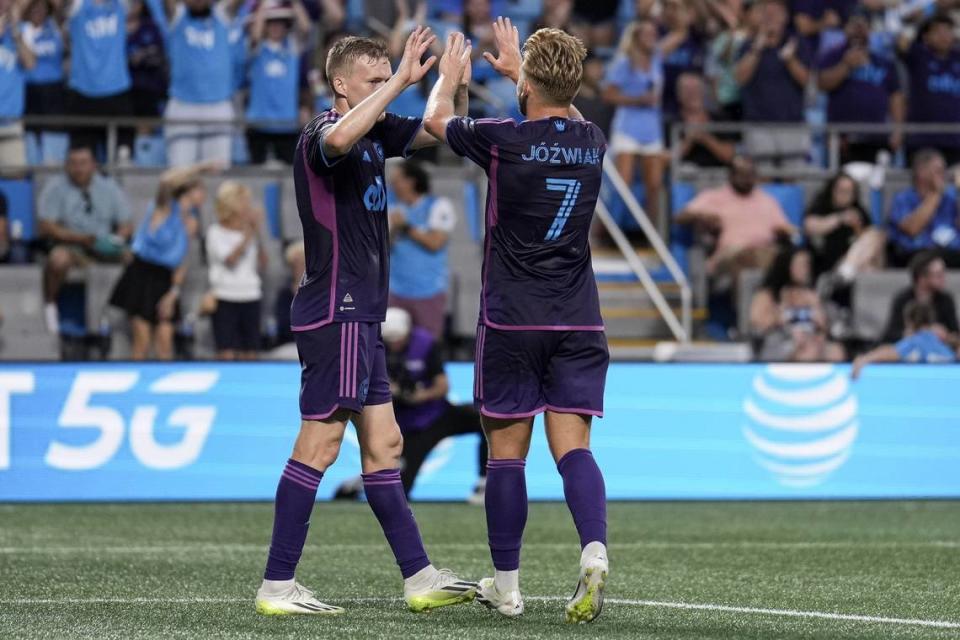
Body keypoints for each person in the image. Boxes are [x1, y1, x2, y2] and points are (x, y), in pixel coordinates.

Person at [255, 28, 477, 616]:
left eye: (387, 78)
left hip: (364, 316)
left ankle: (419, 577)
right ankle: (277, 584)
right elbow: (341, 137)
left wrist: (447, 83)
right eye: (373, 81)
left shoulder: (376, 131)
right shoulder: (319, 134)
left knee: (385, 446)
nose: (385, 90)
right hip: (337, 310)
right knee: (322, 442)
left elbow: (436, 130)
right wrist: (402, 81)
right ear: (340, 84)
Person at [424, 20, 610, 623]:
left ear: (530, 81)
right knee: (573, 450)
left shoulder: (504, 139)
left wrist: (451, 78)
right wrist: (525, 74)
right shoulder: (592, 140)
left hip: (511, 318)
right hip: (579, 319)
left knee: (507, 456)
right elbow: (566, 115)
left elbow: (434, 122)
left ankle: (507, 587)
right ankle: (594, 549)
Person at [333, 307, 488, 501]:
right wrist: (388, 390)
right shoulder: (371, 346)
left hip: (436, 413)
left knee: (486, 418)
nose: (395, 343)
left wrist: (419, 396)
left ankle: (485, 481)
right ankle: (362, 481)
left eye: (399, 338)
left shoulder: (425, 343)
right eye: (391, 339)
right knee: (400, 492)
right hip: (407, 425)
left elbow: (442, 386)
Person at [108, 162, 212, 359]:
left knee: (165, 342)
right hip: (141, 275)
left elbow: (182, 260)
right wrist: (200, 169)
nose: (204, 195)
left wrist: (172, 294)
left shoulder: (192, 222)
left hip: (165, 280)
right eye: (200, 190)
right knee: (142, 342)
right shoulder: (162, 208)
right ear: (188, 191)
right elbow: (166, 180)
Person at [38, 143, 133, 333]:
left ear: (94, 164)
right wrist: (80, 238)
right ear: (66, 165)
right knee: (58, 259)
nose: (78, 168)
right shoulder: (55, 188)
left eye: (83, 163)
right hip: (72, 247)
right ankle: (50, 306)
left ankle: (129, 312)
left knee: (136, 260)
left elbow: (126, 224)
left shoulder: (109, 187)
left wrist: (115, 240)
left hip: (103, 246)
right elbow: (46, 226)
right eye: (73, 163)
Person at [145, 0, 242, 166]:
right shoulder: (177, 15)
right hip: (182, 106)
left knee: (217, 173)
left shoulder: (222, 15)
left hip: (218, 107)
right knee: (180, 173)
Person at [676, 155, 795, 284]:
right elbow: (681, 217)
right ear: (731, 175)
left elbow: (786, 228)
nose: (747, 179)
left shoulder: (768, 201)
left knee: (786, 258)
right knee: (743, 257)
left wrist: (785, 232)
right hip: (730, 254)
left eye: (750, 174)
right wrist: (702, 217)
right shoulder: (714, 197)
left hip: (764, 252)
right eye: (742, 174)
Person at [602, 19, 666, 229]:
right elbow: (609, 95)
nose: (652, 38)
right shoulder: (624, 63)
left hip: (652, 129)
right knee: (623, 185)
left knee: (654, 186)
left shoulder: (657, 59)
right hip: (627, 128)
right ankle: (607, 231)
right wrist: (637, 100)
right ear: (636, 38)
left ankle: (652, 235)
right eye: (647, 34)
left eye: (654, 34)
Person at [817, 12, 904, 164]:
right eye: (854, 26)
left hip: (877, 137)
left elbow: (895, 97)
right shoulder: (832, 55)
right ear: (845, 29)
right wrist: (846, 65)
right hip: (843, 138)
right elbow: (823, 85)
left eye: (863, 26)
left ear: (870, 30)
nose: (858, 30)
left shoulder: (884, 62)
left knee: (876, 184)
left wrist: (898, 130)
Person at [734, 0, 812, 169]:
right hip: (758, 125)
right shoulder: (749, 45)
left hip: (792, 125)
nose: (771, 17)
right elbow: (740, 78)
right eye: (767, 13)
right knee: (762, 178)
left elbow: (806, 80)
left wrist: (790, 60)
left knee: (795, 178)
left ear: (785, 16)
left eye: (776, 12)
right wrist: (757, 49)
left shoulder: (797, 43)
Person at [388, 160, 456, 340]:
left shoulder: (438, 206)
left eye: (397, 180)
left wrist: (406, 227)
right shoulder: (391, 208)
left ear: (411, 181)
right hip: (396, 290)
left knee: (428, 347)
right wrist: (393, 229)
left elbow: (435, 243)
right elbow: (382, 248)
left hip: (429, 290)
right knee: (391, 344)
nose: (392, 185)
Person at [749, 244, 845, 362]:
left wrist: (817, 309)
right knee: (808, 352)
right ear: (787, 266)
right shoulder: (769, 294)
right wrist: (778, 317)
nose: (805, 269)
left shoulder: (814, 293)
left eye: (807, 264)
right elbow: (757, 326)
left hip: (813, 339)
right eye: (800, 265)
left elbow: (834, 328)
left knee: (836, 352)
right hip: (781, 340)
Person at [205, 181, 266, 360]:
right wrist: (249, 233)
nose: (248, 205)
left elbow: (263, 263)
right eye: (243, 201)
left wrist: (258, 233)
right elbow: (230, 260)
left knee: (251, 352)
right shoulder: (215, 232)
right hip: (225, 297)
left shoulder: (250, 232)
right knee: (226, 351)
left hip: (251, 295)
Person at [245, 0, 311, 164]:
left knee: (289, 179)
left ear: (286, 26)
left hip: (287, 124)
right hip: (259, 124)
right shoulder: (256, 49)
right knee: (257, 177)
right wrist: (264, 5)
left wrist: (294, 3)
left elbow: (306, 28)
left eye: (280, 23)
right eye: (271, 23)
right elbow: (255, 35)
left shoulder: (292, 49)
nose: (275, 27)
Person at [66, 0, 136, 155]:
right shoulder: (78, 5)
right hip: (83, 93)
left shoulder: (121, 4)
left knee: (122, 156)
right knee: (82, 157)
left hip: (118, 91)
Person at [803, 172, 885, 286]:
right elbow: (809, 226)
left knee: (876, 236)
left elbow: (868, 242)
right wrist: (840, 218)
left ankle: (846, 268)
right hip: (827, 262)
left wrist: (857, 227)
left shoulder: (859, 211)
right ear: (832, 190)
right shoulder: (822, 206)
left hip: (853, 262)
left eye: (849, 192)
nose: (845, 195)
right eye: (841, 190)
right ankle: (845, 270)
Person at [899, 13, 960, 165]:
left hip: (954, 139)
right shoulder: (919, 55)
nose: (944, 36)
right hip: (921, 139)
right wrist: (922, 18)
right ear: (926, 37)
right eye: (938, 32)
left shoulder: (957, 58)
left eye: (948, 31)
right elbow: (902, 43)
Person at [887, 149, 960, 268]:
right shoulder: (903, 198)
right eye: (938, 171)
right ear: (921, 172)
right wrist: (936, 194)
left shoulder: (950, 197)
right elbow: (912, 229)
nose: (944, 175)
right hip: (916, 254)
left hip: (952, 252)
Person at [853, 301, 957, 380]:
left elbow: (892, 352)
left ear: (909, 322)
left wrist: (864, 359)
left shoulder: (914, 342)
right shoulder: (945, 346)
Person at [881, 250, 959, 345]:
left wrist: (945, 335)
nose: (944, 278)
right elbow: (889, 334)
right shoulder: (903, 299)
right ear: (922, 278)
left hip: (936, 351)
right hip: (908, 350)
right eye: (938, 275)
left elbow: (955, 333)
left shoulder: (945, 300)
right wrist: (913, 333)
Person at [20, 0, 65, 164]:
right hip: (29, 91)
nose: (38, 11)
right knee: (31, 138)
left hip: (54, 91)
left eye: (42, 7)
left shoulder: (55, 26)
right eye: (34, 8)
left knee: (54, 138)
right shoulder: (21, 29)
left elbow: (62, 7)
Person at [676, 72, 736, 168]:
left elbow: (729, 156)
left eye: (696, 89)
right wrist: (689, 139)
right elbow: (669, 158)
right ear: (679, 94)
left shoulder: (719, 119)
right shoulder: (672, 121)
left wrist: (705, 138)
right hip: (684, 177)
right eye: (687, 90)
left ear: (703, 92)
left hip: (719, 176)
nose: (692, 94)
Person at [0, 0, 34, 168]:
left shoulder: (24, 29)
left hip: (11, 122)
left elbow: (30, 64)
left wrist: (15, 33)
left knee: (16, 180)